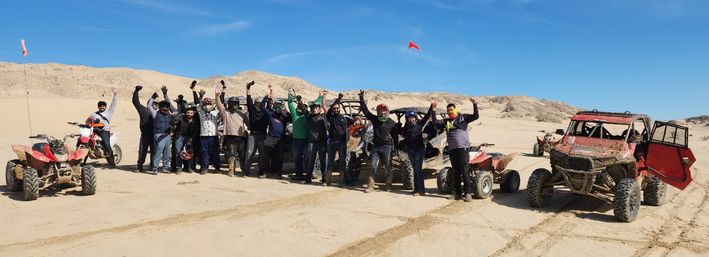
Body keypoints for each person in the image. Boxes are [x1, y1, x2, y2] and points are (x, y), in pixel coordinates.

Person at [433, 97, 479, 202]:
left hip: (463, 149)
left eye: (451, 109)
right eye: (448, 110)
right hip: (452, 150)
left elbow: (476, 116)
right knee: (456, 172)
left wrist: (475, 104)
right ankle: (457, 193)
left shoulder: (463, 118)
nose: (449, 112)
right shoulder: (447, 121)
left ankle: (468, 193)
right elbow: (435, 123)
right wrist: (434, 110)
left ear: (455, 109)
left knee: (464, 171)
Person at [358, 90, 398, 192]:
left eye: (384, 110)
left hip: (387, 147)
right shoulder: (375, 119)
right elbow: (366, 112)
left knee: (388, 167)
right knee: (372, 165)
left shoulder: (391, 123)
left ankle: (388, 184)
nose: (382, 112)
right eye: (380, 111)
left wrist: (395, 149)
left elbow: (395, 137)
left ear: (387, 112)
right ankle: (370, 186)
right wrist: (361, 99)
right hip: (376, 146)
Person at [400, 100, 436, 196]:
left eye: (413, 118)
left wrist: (431, 107)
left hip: (419, 149)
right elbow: (403, 136)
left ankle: (421, 190)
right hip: (410, 150)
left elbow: (427, 116)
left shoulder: (419, 124)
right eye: (409, 118)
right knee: (414, 169)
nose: (411, 120)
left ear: (415, 118)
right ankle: (416, 189)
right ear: (407, 119)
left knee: (418, 169)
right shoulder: (406, 128)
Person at [215, 82, 249, 177]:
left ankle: (243, 171)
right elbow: (219, 105)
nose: (234, 106)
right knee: (231, 154)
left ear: (238, 105)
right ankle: (231, 170)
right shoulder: (225, 113)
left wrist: (250, 131)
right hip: (230, 136)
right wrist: (217, 96)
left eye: (235, 104)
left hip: (241, 137)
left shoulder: (242, 114)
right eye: (232, 103)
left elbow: (248, 124)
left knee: (242, 155)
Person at [289, 91, 322, 181]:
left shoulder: (308, 116)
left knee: (308, 158)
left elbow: (316, 104)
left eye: (303, 106)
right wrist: (290, 95)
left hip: (307, 140)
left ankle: (309, 175)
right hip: (296, 140)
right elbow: (290, 103)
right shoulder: (294, 114)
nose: (301, 108)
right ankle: (298, 175)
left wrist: (320, 96)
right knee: (297, 158)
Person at [260, 85, 290, 179]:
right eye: (276, 105)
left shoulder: (285, 115)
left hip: (281, 139)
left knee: (279, 157)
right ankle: (265, 172)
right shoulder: (271, 114)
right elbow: (262, 107)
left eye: (279, 105)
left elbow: (292, 117)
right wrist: (266, 97)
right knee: (266, 156)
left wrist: (284, 110)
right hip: (270, 138)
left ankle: (277, 173)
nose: (277, 107)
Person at [147, 86, 177, 174]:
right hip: (159, 135)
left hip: (167, 135)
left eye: (166, 107)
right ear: (160, 107)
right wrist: (152, 98)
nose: (165, 108)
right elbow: (149, 106)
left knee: (167, 153)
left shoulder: (170, 114)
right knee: (158, 152)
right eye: (163, 106)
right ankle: (154, 168)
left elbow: (177, 110)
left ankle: (165, 167)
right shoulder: (155, 113)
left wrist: (165, 95)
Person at [86, 87, 118, 168]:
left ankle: (112, 163)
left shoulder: (109, 112)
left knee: (106, 145)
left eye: (103, 106)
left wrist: (115, 94)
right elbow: (88, 120)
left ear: (105, 106)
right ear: (98, 107)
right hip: (95, 130)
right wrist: (87, 122)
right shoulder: (94, 114)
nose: (102, 108)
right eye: (100, 106)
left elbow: (114, 103)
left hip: (104, 131)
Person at [192, 86, 221, 175]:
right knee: (204, 153)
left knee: (215, 152)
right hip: (203, 136)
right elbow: (197, 103)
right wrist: (194, 91)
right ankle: (204, 168)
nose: (207, 106)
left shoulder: (216, 112)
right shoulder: (200, 112)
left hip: (214, 136)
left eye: (209, 104)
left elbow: (221, 104)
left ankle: (217, 168)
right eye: (205, 104)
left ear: (212, 105)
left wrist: (219, 94)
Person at [326, 93, 354, 186]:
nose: (336, 110)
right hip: (332, 142)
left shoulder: (345, 118)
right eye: (334, 108)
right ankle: (328, 181)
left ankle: (342, 181)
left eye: (337, 108)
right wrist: (338, 99)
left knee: (342, 162)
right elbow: (330, 109)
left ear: (340, 109)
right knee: (330, 161)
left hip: (342, 142)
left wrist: (358, 120)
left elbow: (355, 121)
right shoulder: (330, 117)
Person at [244, 81, 269, 177]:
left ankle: (261, 171)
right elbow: (248, 100)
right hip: (253, 134)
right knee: (249, 153)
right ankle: (246, 170)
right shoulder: (252, 110)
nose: (259, 105)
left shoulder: (265, 113)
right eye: (257, 103)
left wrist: (268, 95)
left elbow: (270, 103)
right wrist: (248, 89)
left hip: (263, 135)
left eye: (260, 103)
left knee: (262, 154)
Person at [305, 90, 329, 185]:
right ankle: (308, 179)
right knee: (310, 160)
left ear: (319, 109)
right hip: (312, 141)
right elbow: (303, 108)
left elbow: (325, 107)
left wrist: (323, 96)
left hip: (322, 141)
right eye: (313, 108)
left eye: (316, 107)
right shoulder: (309, 117)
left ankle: (324, 179)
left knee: (323, 161)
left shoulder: (324, 116)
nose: (314, 109)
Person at [132, 85, 155, 173]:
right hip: (145, 134)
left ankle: (153, 166)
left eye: (156, 104)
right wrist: (136, 91)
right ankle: (139, 166)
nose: (154, 106)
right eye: (153, 103)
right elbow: (136, 102)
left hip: (155, 135)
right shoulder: (143, 110)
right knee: (142, 151)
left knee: (154, 151)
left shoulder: (159, 112)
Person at [172, 104, 199, 174]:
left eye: (191, 113)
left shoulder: (195, 121)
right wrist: (175, 121)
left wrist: (191, 139)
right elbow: (175, 122)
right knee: (178, 152)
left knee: (190, 152)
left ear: (193, 113)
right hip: (180, 137)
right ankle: (179, 167)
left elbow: (196, 131)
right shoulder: (181, 118)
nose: (189, 114)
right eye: (188, 113)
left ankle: (190, 167)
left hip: (190, 137)